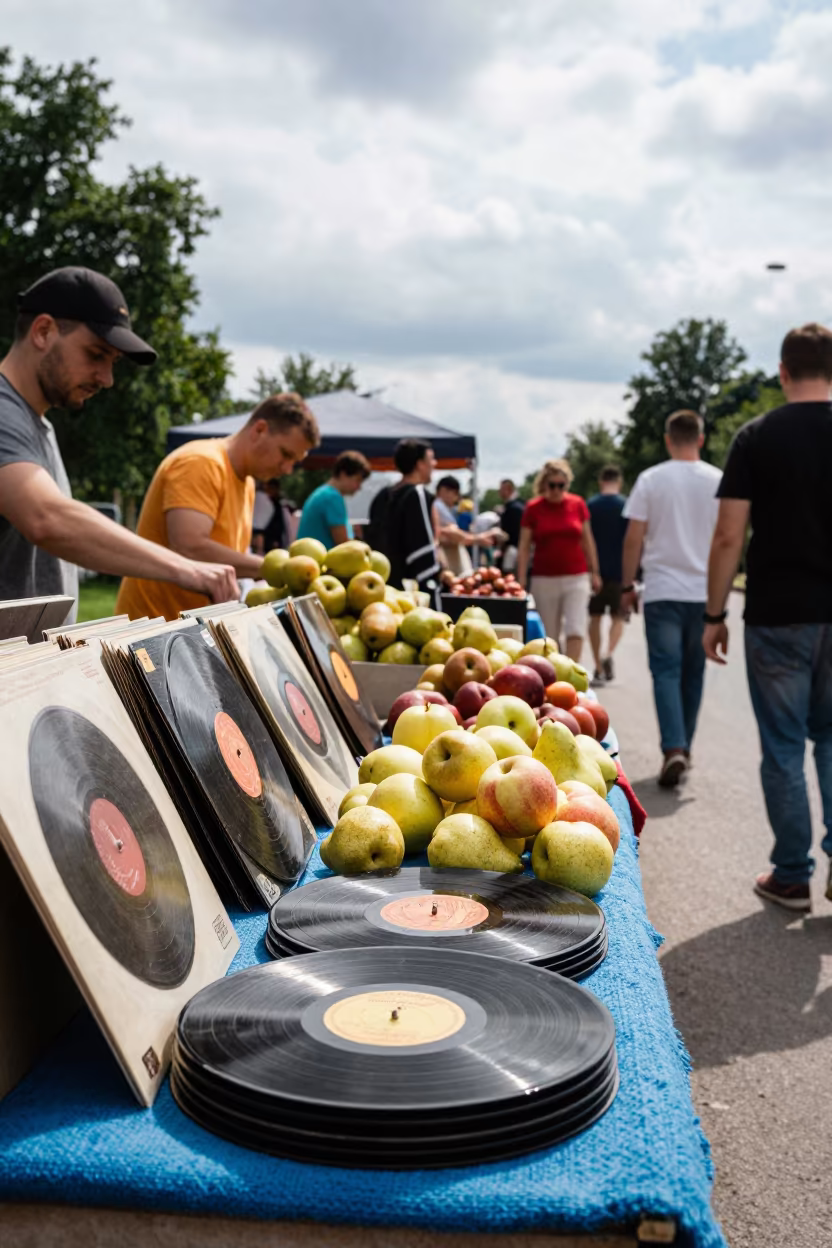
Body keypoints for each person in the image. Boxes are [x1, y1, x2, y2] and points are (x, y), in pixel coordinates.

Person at [0, 266, 238, 623]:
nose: (107, 379)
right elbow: (47, 518)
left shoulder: (37, 425)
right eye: (96, 354)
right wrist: (186, 569)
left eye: (113, 363)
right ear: (43, 331)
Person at [704, 323, 832, 912]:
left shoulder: (756, 437)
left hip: (779, 613)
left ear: (782, 372)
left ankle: (791, 875)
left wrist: (713, 612)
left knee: (783, 746)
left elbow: (730, 532)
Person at [116, 392, 319, 621]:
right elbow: (189, 546)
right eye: (285, 454)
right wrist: (275, 568)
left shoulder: (248, 482)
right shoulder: (201, 462)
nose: (288, 469)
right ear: (259, 430)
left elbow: (227, 557)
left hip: (187, 630)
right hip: (151, 628)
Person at [620, 410, 722, 787]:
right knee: (694, 672)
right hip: (705, 592)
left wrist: (628, 586)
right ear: (701, 438)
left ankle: (673, 748)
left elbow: (634, 537)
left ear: (667, 439)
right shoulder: (718, 480)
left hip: (662, 590)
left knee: (665, 671)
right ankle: (684, 748)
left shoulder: (651, 479)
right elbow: (728, 537)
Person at [516, 459, 601, 661]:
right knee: (549, 635)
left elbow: (588, 541)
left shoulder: (577, 504)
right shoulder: (533, 508)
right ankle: (554, 676)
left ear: (566, 484)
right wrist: (521, 579)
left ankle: (572, 671)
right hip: (544, 578)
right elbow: (524, 546)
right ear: (544, 484)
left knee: (575, 626)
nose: (556, 490)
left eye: (560, 485)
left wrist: (595, 572)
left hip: (576, 576)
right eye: (552, 485)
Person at [379, 438, 441, 607]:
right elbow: (423, 552)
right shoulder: (417, 494)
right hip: (410, 597)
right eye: (431, 459)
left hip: (383, 589)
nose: (434, 464)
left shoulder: (384, 495)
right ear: (420, 464)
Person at [587, 465, 629, 683]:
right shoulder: (627, 506)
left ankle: (597, 665)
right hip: (621, 571)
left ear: (601, 481)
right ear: (618, 482)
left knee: (594, 618)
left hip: (595, 572)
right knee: (618, 617)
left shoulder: (590, 506)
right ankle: (607, 654)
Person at [297, 450, 371, 550]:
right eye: (358, 480)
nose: (359, 487)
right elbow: (344, 545)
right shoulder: (332, 497)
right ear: (343, 474)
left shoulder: (323, 493)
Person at [431, 476, 495, 577]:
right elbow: (451, 533)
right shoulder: (438, 506)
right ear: (444, 490)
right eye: (455, 493)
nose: (456, 498)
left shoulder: (440, 506)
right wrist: (478, 538)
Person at [497, 478, 525, 572]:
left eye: (501, 489)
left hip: (513, 550)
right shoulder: (518, 505)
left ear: (508, 489)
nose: (499, 492)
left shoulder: (514, 508)